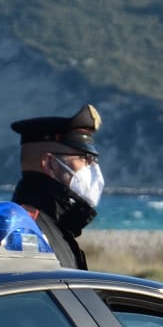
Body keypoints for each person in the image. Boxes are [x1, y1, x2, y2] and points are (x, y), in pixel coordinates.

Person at [8, 103, 105, 270]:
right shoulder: (27, 231)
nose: (93, 167)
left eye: (93, 159)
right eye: (84, 158)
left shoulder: (57, 228)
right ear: (50, 163)